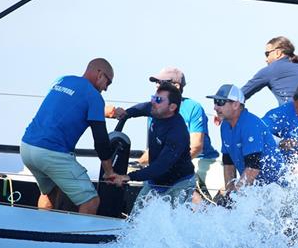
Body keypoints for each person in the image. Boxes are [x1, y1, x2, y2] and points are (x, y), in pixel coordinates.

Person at [20, 58, 117, 215]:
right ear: (100, 74)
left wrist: (104, 111)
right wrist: (109, 171)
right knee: (91, 201)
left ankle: (40, 233)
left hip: (27, 147)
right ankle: (78, 239)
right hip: (51, 153)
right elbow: (100, 141)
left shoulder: (63, 80)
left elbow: (67, 105)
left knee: (49, 192)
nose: (106, 88)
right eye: (108, 82)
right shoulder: (95, 97)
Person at [107, 82, 196, 206]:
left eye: (158, 99)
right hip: (155, 180)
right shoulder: (155, 109)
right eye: (153, 98)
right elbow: (139, 109)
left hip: (179, 183)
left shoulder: (177, 132)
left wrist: (128, 177)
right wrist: (126, 113)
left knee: (172, 224)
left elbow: (161, 166)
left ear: (172, 107)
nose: (153, 102)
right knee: (135, 222)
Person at [144, 67, 224, 202]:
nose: (157, 85)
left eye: (162, 82)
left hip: (202, 160)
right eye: (156, 82)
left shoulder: (194, 107)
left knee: (225, 189)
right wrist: (137, 164)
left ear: (176, 86)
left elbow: (196, 147)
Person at [208, 84, 285, 193]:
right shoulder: (225, 126)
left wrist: (235, 196)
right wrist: (229, 193)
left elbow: (253, 168)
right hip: (256, 188)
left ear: (235, 104)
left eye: (220, 102)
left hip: (277, 189)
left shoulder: (250, 124)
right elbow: (228, 162)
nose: (215, 107)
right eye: (215, 102)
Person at [241, 36, 298, 106]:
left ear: (278, 53)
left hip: (292, 115)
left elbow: (239, 95)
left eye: (267, 54)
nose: (266, 59)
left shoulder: (271, 70)